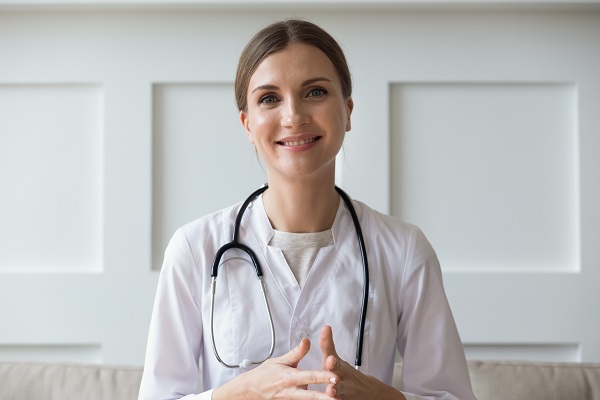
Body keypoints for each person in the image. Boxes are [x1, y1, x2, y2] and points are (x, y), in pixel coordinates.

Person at [138, 19, 476, 400]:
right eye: (269, 98)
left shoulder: (404, 250)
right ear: (247, 124)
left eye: (315, 92)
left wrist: (385, 398)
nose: (293, 116)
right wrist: (235, 394)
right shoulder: (194, 249)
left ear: (347, 112)